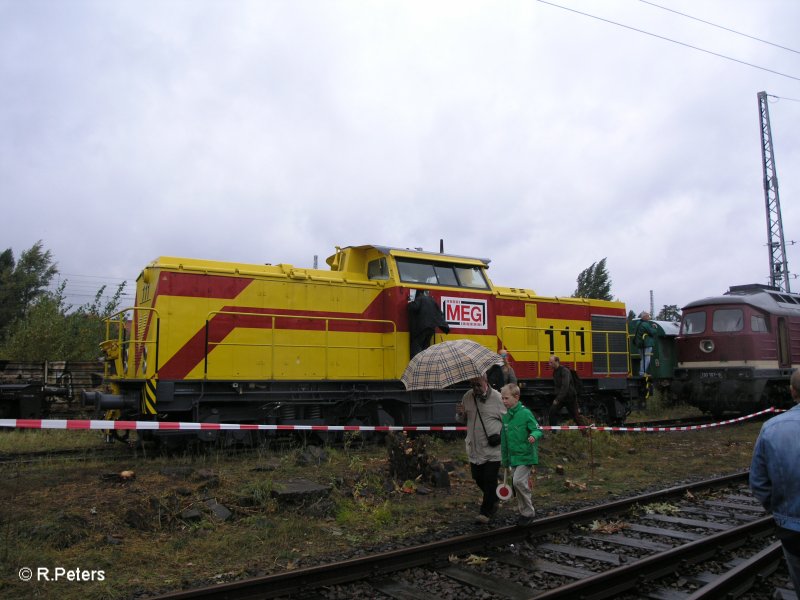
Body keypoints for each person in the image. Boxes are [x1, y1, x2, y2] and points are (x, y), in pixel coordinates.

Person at [750, 370, 800, 597]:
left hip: (792, 530)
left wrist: (780, 511)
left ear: (792, 391)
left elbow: (759, 483)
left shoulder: (771, 428)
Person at [455, 374, 505, 524]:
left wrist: (502, 436)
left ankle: (485, 512)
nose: (475, 388)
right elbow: (462, 421)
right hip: (475, 448)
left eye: (478, 384)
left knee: (489, 479)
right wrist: (460, 414)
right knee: (478, 478)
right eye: (472, 385)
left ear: (486, 381)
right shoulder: (467, 397)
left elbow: (509, 420)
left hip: (493, 448)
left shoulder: (498, 398)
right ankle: (494, 498)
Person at [500, 383, 543, 526]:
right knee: (517, 484)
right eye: (502, 398)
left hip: (526, 455)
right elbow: (504, 441)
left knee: (518, 482)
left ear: (516, 397)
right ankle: (524, 513)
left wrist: (534, 436)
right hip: (513, 458)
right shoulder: (506, 418)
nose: (504, 401)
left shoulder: (525, 413)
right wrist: (505, 460)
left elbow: (537, 429)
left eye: (506, 398)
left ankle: (528, 512)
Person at [548, 355, 589, 431]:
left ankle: (585, 433)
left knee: (576, 417)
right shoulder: (555, 372)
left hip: (570, 398)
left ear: (557, 362)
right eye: (549, 362)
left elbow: (565, 386)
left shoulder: (564, 371)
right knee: (552, 412)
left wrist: (557, 399)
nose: (549, 364)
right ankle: (553, 432)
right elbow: (558, 386)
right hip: (562, 398)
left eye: (551, 362)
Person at [408, 289, 450, 358]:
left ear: (418, 294)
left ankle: (416, 362)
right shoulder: (432, 300)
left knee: (416, 346)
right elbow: (440, 313)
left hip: (421, 328)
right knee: (426, 347)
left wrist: (410, 302)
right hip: (431, 328)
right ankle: (425, 361)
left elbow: (413, 307)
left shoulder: (420, 299)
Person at [633, 312, 657, 377]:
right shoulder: (645, 324)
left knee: (643, 359)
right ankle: (642, 372)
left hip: (640, 344)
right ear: (645, 317)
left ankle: (641, 372)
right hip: (646, 344)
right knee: (647, 358)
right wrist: (654, 327)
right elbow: (652, 332)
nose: (649, 318)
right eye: (648, 316)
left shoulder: (638, 323)